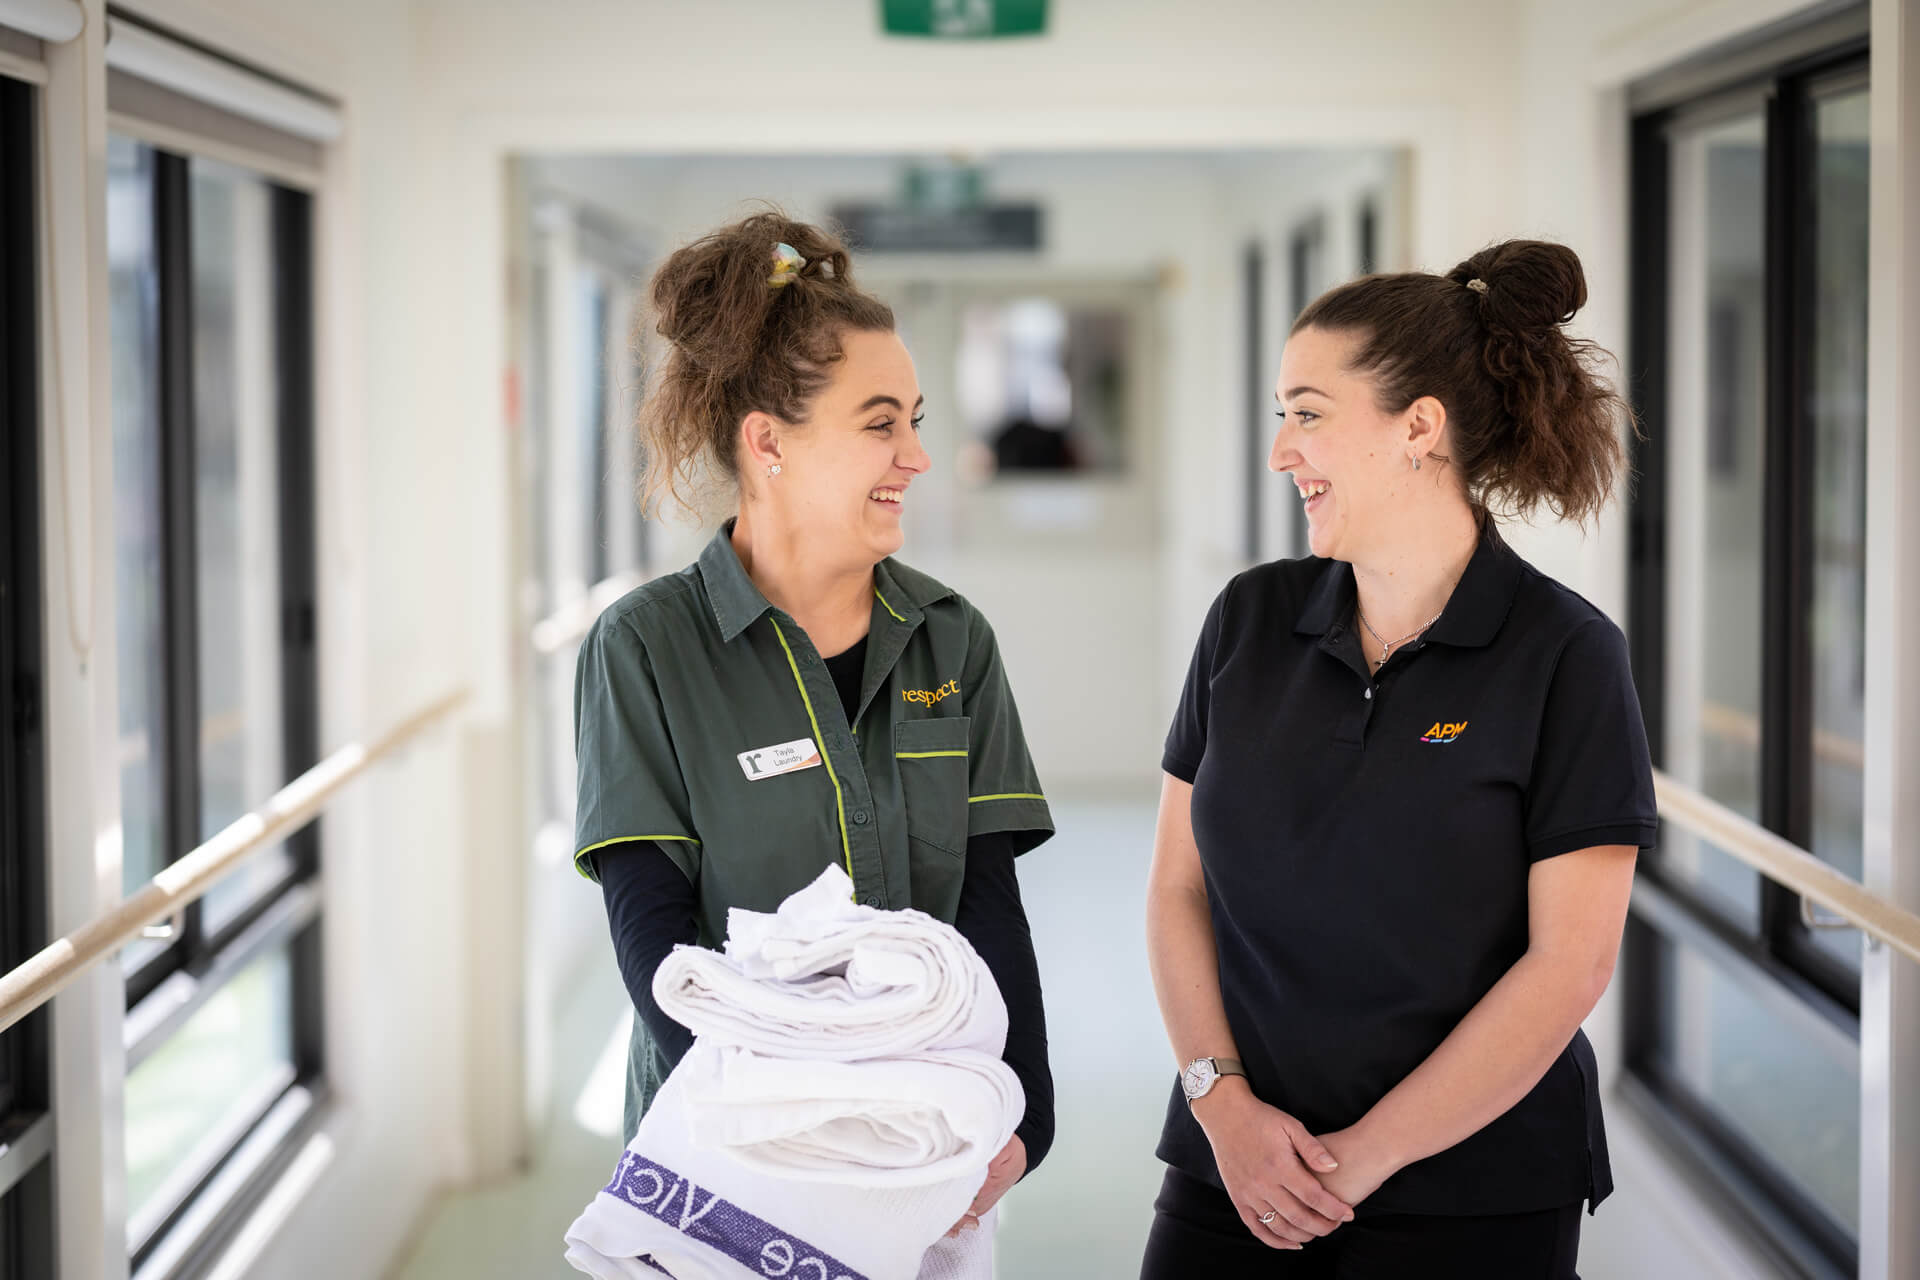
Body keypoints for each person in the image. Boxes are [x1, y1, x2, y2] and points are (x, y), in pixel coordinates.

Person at [1142, 241, 1656, 1278]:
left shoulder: (1565, 654)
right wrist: (1222, 1102)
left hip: (1474, 1191)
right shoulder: (1249, 618)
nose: (1283, 449)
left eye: (1309, 411)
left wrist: (1357, 1163)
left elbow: (1570, 964)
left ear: (1420, 426)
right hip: (1234, 1167)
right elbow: (1176, 885)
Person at [572, 212, 1054, 1238]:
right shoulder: (646, 648)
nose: (919, 455)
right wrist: (797, 1138)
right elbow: (652, 935)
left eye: (917, 418)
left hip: (930, 1144)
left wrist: (1026, 1113)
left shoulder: (951, 641)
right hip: (730, 1147)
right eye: (882, 423)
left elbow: (988, 900)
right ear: (768, 441)